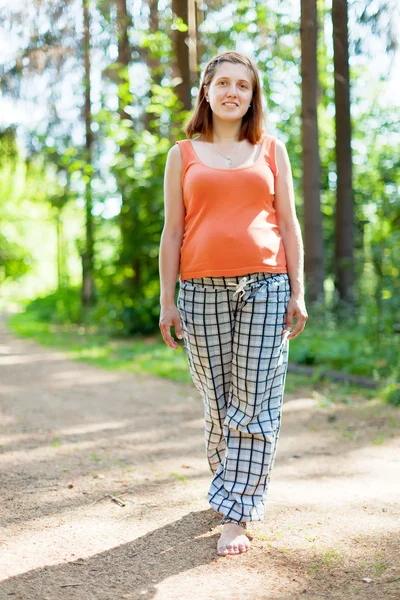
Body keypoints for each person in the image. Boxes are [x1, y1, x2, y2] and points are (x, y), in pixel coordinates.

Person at [158, 50, 308, 556]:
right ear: (206, 91)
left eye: (243, 86)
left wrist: (299, 289)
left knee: (256, 400)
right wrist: (166, 300)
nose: (232, 92)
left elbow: (288, 224)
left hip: (266, 286)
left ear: (252, 97)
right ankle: (229, 483)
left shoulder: (271, 149)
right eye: (223, 83)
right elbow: (172, 231)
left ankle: (237, 512)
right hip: (199, 291)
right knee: (219, 403)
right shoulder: (182, 154)